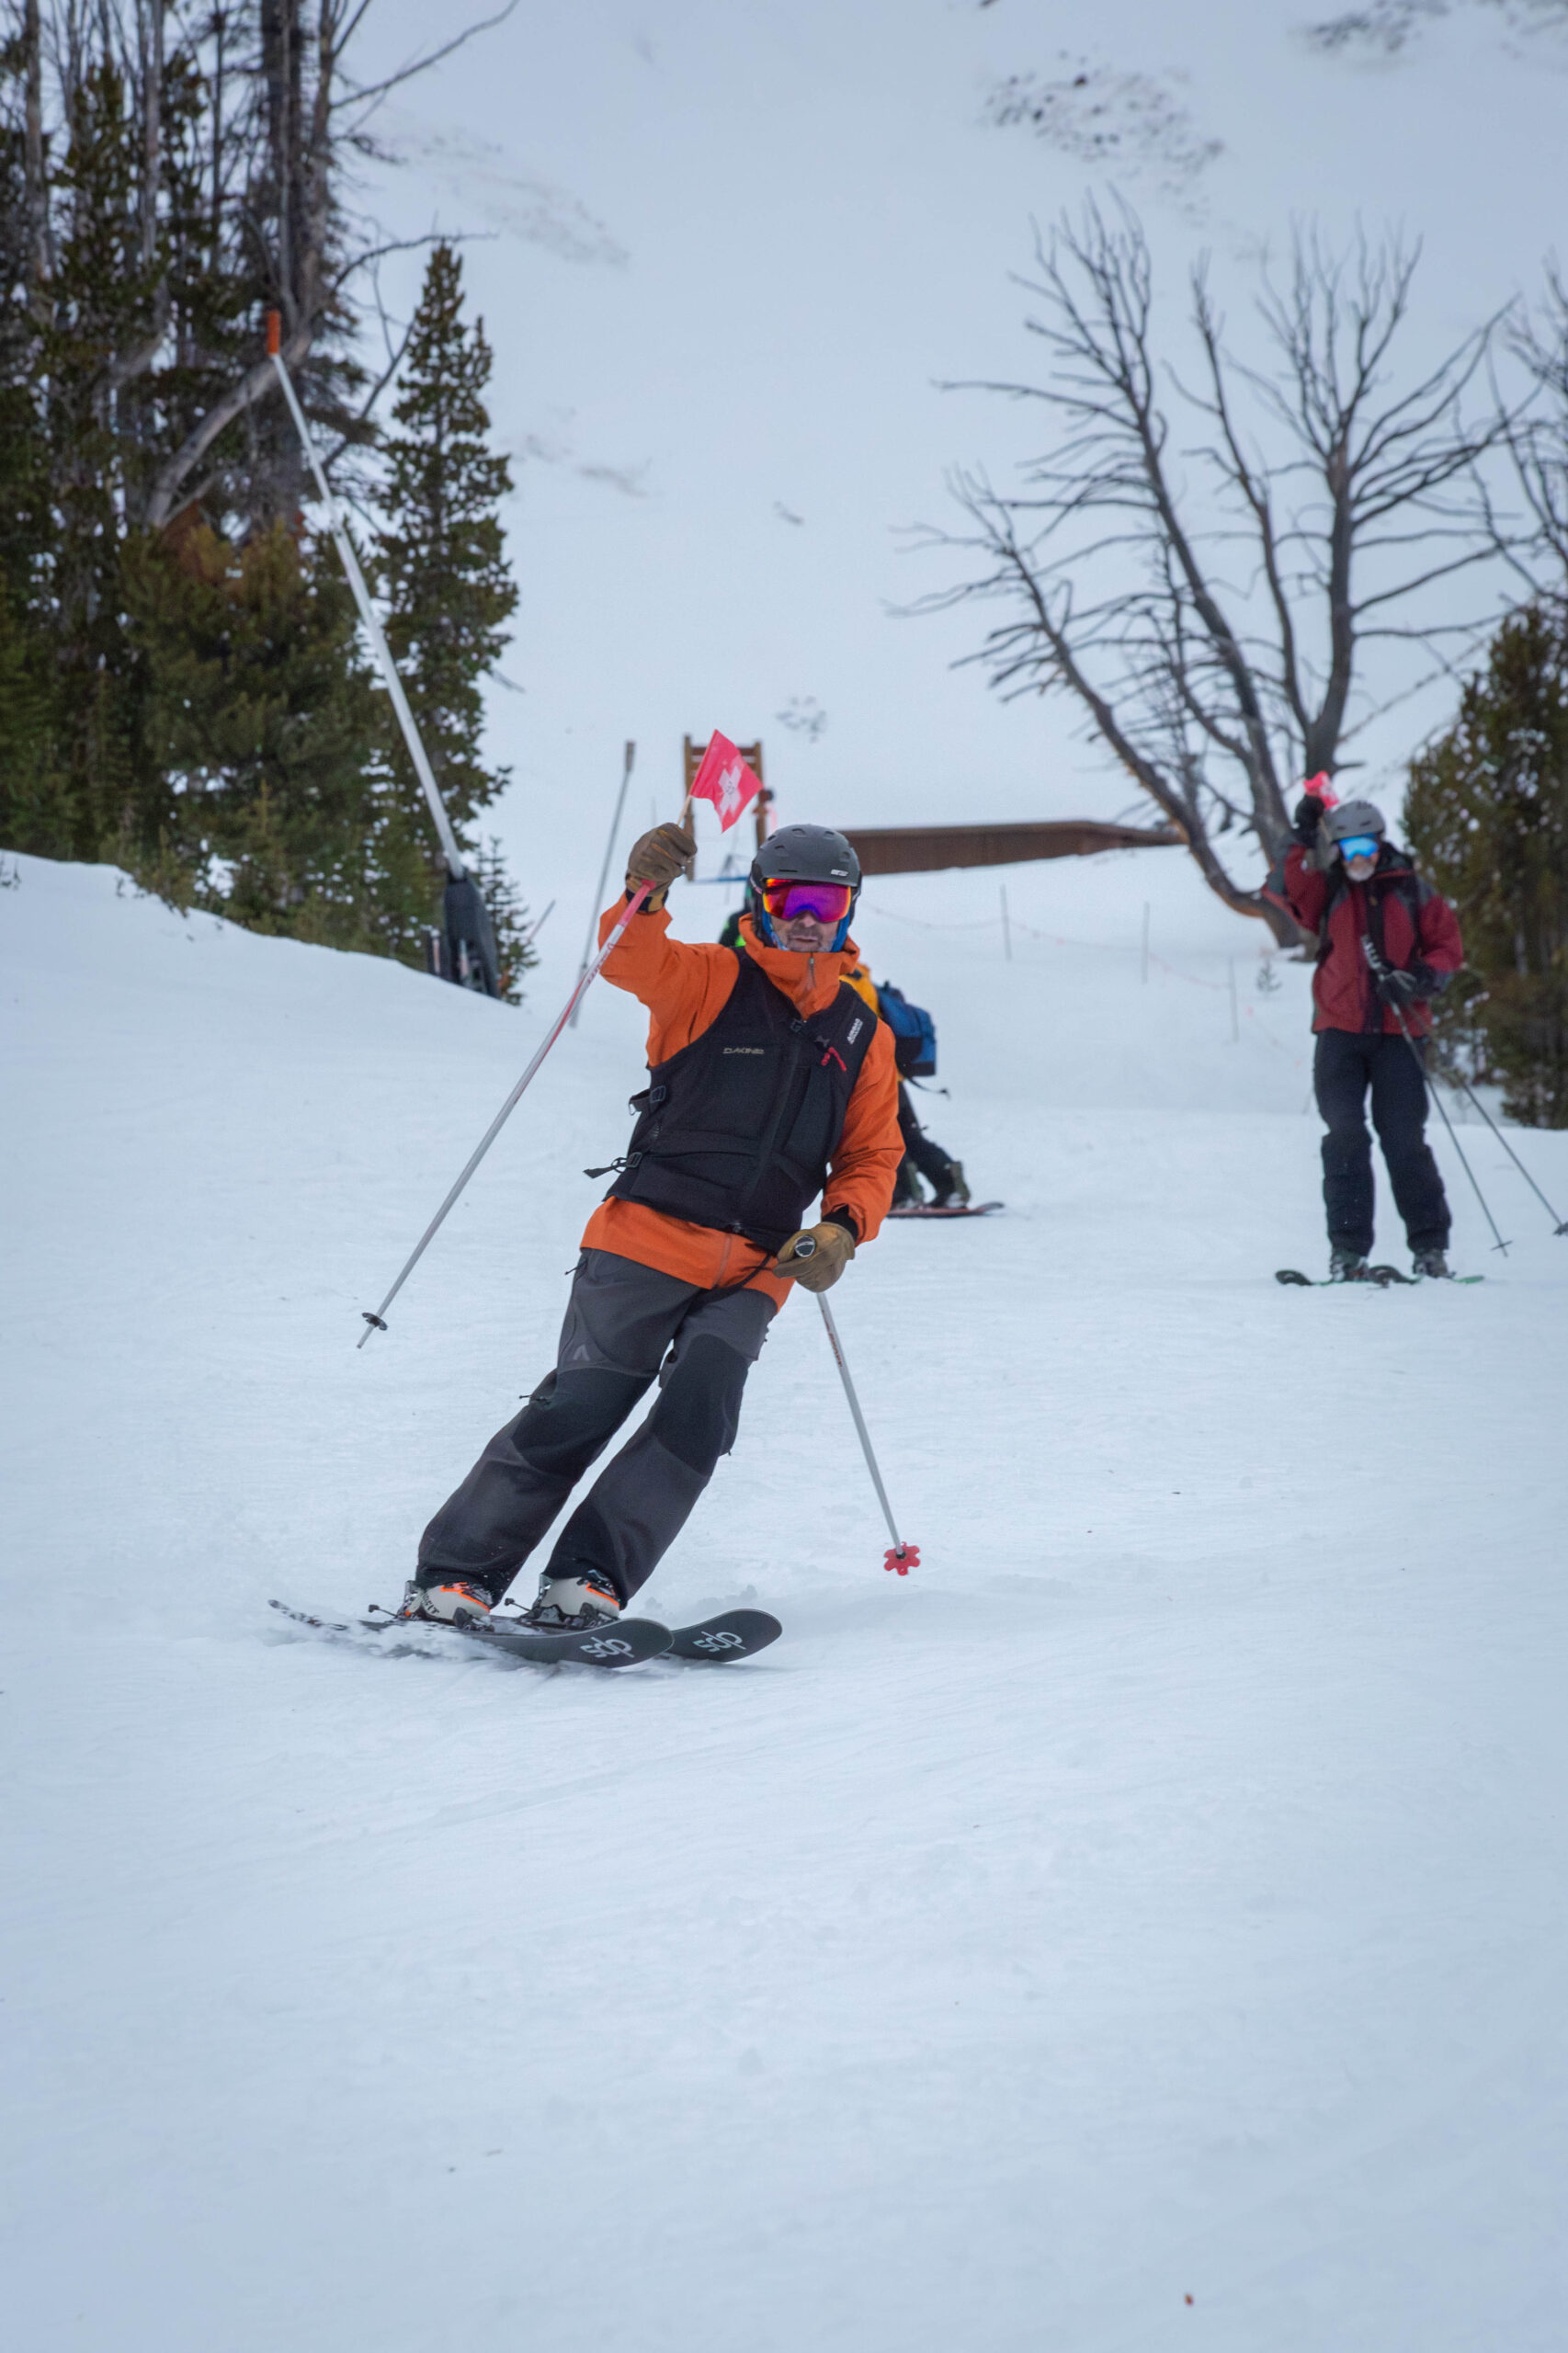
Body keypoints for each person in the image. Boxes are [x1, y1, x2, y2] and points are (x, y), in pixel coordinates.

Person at [406, 822, 903, 1629]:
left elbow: (873, 1153)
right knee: (581, 1406)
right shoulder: (708, 976)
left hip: (759, 1267)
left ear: (849, 909)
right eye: (792, 899)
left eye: (827, 901)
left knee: (697, 1417)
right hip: (646, 1239)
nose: (809, 919)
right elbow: (630, 960)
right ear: (761, 901)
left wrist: (844, 1227)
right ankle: (453, 1578)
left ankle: (587, 1582)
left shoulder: (861, 1032)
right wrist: (647, 892)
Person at [1269, 785, 1463, 1280]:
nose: (1359, 857)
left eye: (1366, 846)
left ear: (1380, 843)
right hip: (1339, 1032)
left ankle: (1430, 1249)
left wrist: (1419, 979)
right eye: (1348, 848)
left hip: (1401, 1032)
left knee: (1403, 1139)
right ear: (1336, 849)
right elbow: (1286, 887)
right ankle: (1348, 1253)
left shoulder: (1413, 891)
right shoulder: (1328, 890)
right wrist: (1302, 833)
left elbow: (1447, 948)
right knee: (1345, 1138)